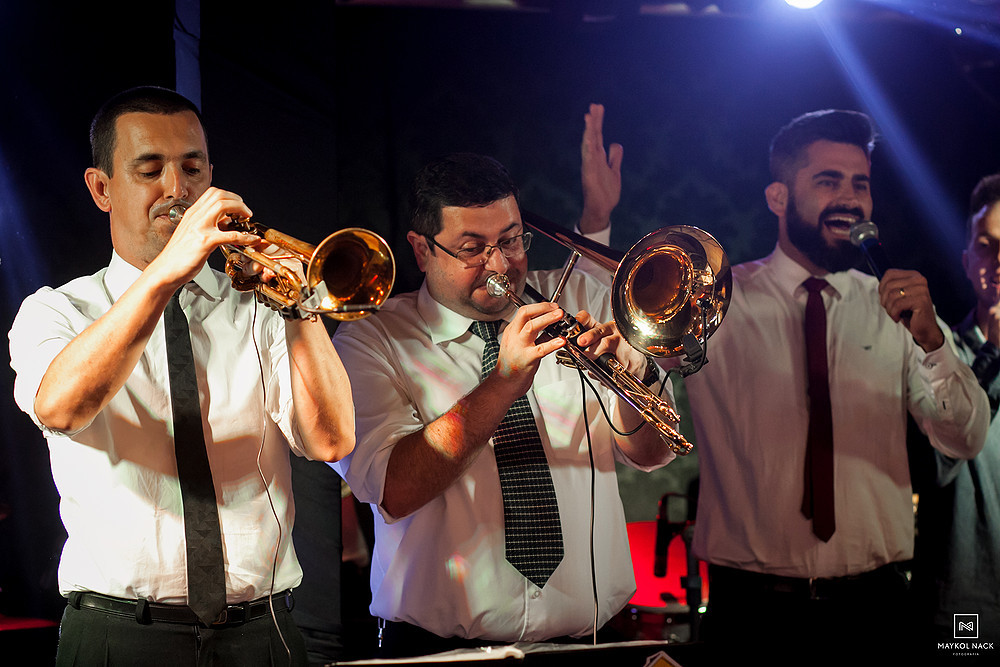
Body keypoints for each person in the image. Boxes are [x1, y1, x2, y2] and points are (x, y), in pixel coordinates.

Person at [585, 108, 989, 664]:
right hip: (751, 612)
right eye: (828, 181)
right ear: (777, 197)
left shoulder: (896, 309)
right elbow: (646, 452)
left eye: (861, 185)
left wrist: (933, 343)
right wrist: (642, 364)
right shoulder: (715, 303)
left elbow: (964, 440)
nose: (850, 199)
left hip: (878, 606)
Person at [8, 86, 355, 666]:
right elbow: (62, 408)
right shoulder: (57, 310)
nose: (178, 190)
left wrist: (302, 307)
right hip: (120, 635)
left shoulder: (259, 306)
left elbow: (332, 441)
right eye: (150, 170)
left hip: (262, 631)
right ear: (101, 189)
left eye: (192, 168)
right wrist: (166, 274)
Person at [329, 144, 677, 658]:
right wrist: (504, 381)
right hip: (437, 652)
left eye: (511, 240)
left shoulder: (578, 297)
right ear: (422, 250)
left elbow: (652, 454)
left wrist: (634, 373)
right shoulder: (372, 339)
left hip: (592, 643)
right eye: (472, 247)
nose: (500, 264)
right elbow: (393, 489)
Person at [911, 173, 1000, 658]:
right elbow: (936, 469)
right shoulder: (937, 356)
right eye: (987, 246)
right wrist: (990, 357)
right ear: (967, 261)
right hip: (963, 603)